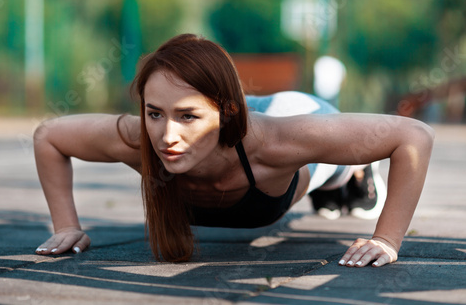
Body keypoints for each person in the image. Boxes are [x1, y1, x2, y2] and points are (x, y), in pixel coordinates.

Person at [34, 34, 434, 268]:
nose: (166, 136)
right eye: (154, 113)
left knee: (336, 168)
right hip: (233, 114)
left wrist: (387, 239)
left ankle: (356, 177)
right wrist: (66, 225)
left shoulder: (281, 142)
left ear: (224, 113)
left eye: (186, 117)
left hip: (288, 114)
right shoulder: (136, 137)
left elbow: (413, 136)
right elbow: (49, 135)